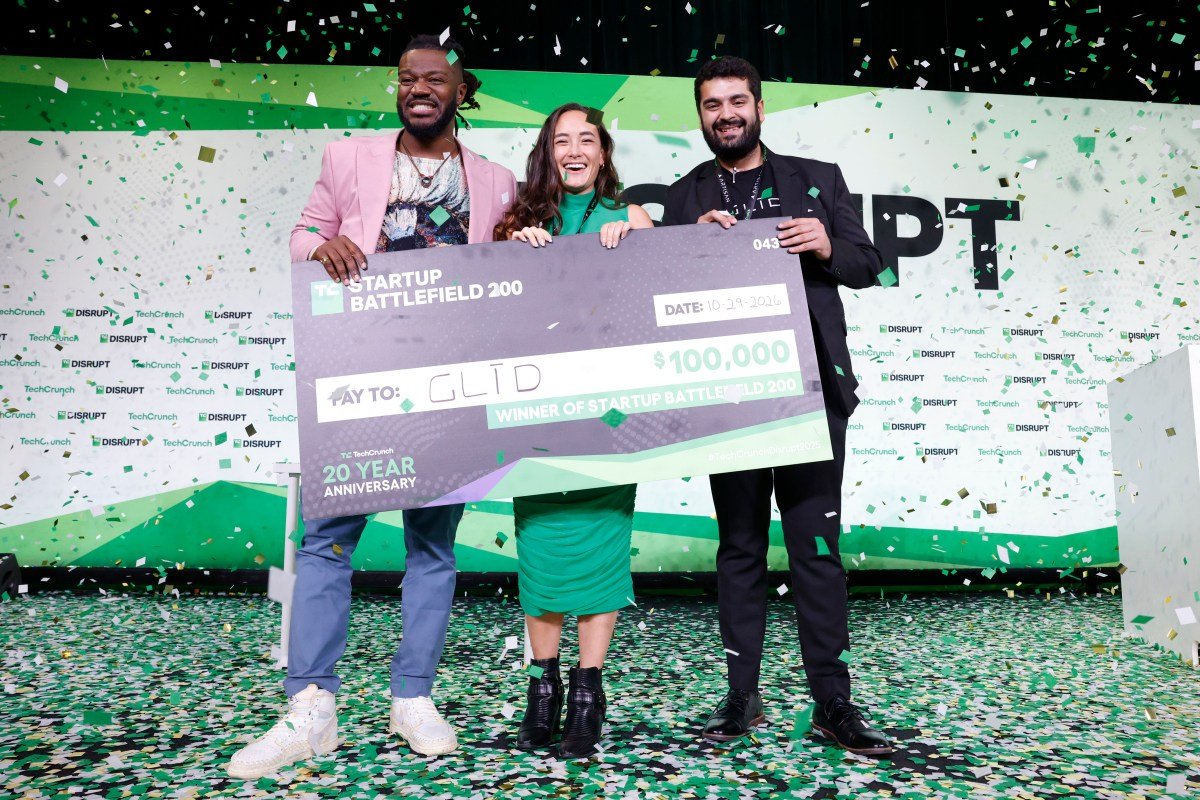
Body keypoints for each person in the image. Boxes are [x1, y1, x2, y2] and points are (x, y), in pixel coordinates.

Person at [226, 35, 517, 779]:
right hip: (357, 374)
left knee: (434, 547)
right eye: (406, 79)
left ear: (461, 89)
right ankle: (310, 708)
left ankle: (411, 699)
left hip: (451, 385)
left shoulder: (495, 181)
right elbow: (303, 233)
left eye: (434, 79)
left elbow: (520, 270)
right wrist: (318, 248)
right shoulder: (349, 159)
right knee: (326, 542)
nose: (417, 88)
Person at [662, 56, 894, 756]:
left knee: (816, 551)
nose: (725, 114)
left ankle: (833, 702)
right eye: (712, 105)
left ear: (759, 107)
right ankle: (743, 697)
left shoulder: (817, 180)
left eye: (737, 101)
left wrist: (826, 243)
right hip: (727, 397)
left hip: (810, 394)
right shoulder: (682, 196)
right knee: (738, 550)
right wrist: (689, 251)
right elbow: (654, 298)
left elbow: (869, 263)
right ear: (700, 116)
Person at [494, 103, 653, 758]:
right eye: (563, 140)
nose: (576, 149)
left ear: (605, 152)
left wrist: (639, 249)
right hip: (537, 417)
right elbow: (488, 311)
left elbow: (663, 301)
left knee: (601, 551)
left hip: (608, 417)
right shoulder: (518, 223)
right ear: (547, 153)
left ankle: (588, 694)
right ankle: (544, 688)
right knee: (542, 552)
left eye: (587, 138)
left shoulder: (634, 218)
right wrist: (511, 254)